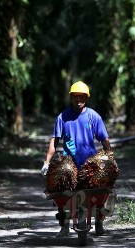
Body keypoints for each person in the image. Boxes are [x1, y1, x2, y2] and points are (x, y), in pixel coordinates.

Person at [41, 81, 111, 237]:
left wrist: (109, 157)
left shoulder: (94, 117)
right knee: (59, 190)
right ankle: (64, 225)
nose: (78, 100)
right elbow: (54, 140)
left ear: (86, 98)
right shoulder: (63, 117)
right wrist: (47, 162)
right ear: (71, 98)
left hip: (90, 163)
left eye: (82, 97)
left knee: (102, 189)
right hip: (68, 163)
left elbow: (104, 139)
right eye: (75, 97)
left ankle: (99, 221)